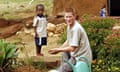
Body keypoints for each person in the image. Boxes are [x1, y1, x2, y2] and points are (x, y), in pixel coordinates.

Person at [48, 8, 92, 72]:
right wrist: (58, 49)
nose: (68, 19)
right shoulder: (69, 26)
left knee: (66, 66)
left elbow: (72, 48)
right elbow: (68, 41)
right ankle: (64, 68)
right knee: (64, 53)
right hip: (75, 54)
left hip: (81, 57)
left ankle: (62, 70)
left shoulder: (76, 28)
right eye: (67, 17)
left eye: (70, 17)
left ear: (74, 16)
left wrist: (58, 50)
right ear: (64, 18)